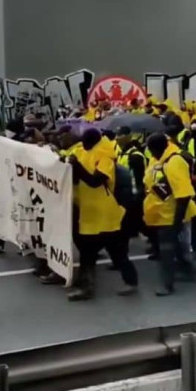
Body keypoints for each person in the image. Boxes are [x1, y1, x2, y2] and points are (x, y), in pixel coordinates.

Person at [67, 128, 138, 299]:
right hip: (88, 213)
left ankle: (131, 281)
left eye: (87, 143)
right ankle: (86, 285)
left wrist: (77, 167)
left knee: (116, 252)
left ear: (94, 143)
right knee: (87, 253)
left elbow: (95, 181)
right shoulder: (81, 151)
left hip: (106, 214)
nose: (84, 146)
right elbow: (75, 178)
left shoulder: (106, 157)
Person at [143, 132, 196, 296]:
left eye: (151, 149)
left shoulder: (174, 162)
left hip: (171, 214)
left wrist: (176, 223)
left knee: (166, 250)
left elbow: (184, 195)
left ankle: (166, 284)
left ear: (157, 148)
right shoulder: (156, 160)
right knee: (176, 246)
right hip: (159, 213)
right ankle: (188, 270)